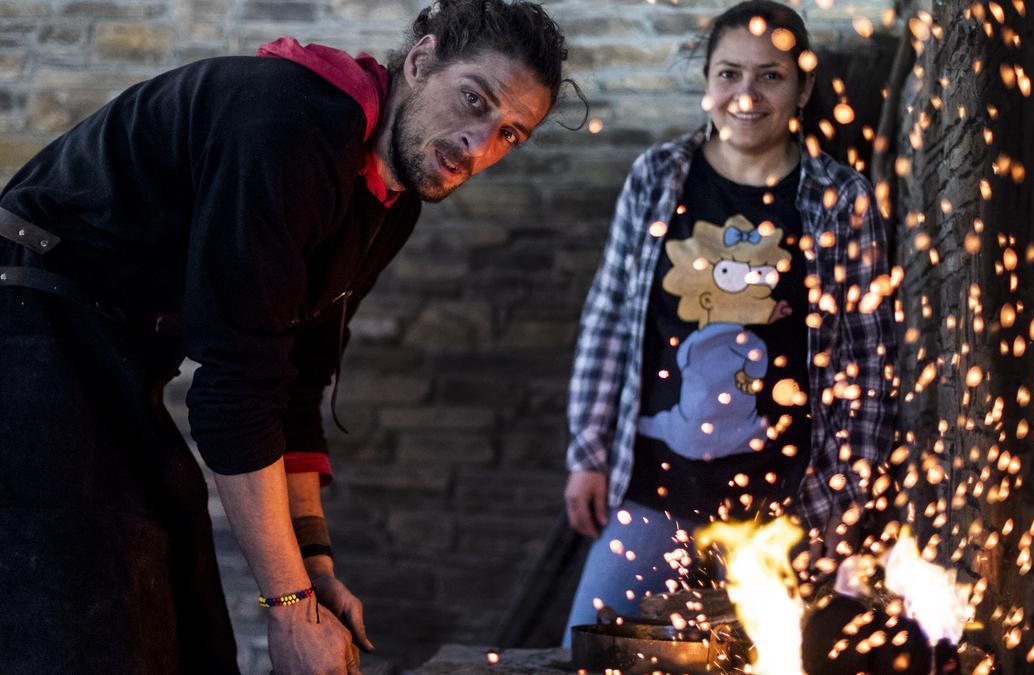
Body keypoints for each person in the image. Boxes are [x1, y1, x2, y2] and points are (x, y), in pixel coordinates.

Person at [0, 1, 575, 672]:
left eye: (509, 133)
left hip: (112, 355)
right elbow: (237, 387)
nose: (479, 145)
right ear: (420, 62)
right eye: (474, 100)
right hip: (25, 320)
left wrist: (316, 570)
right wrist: (291, 608)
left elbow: (296, 382)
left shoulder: (389, 205)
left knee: (184, 597)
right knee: (87, 607)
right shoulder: (286, 123)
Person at [562, 0, 896, 642]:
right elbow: (608, 319)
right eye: (729, 74)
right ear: (707, 83)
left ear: (803, 86)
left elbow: (869, 363)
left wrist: (848, 502)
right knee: (589, 648)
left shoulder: (839, 197)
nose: (747, 94)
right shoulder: (658, 176)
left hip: (789, 512)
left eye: (770, 75)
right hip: (653, 491)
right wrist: (588, 454)